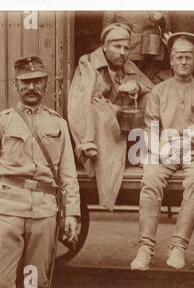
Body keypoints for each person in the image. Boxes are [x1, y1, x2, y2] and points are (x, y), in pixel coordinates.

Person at [0, 55, 80, 288]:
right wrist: (3, 194)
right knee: (0, 283)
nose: (31, 87)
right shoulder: (1, 123)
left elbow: (68, 176)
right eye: (25, 82)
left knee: (35, 284)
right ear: (15, 85)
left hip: (43, 214)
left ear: (46, 84)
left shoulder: (58, 124)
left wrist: (72, 213)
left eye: (37, 81)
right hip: (6, 213)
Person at [130, 32, 194, 271]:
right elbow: (150, 126)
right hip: (166, 147)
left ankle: (178, 247)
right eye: (179, 57)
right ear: (171, 61)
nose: (184, 62)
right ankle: (145, 248)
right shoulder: (158, 92)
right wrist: (160, 149)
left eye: (189, 57)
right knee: (151, 177)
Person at [68, 23, 154, 211]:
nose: (122, 52)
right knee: (96, 106)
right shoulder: (89, 63)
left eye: (126, 48)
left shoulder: (126, 65)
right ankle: (95, 159)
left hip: (125, 128)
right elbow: (80, 101)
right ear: (104, 46)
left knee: (149, 100)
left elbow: (152, 88)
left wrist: (138, 88)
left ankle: (142, 154)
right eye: (117, 46)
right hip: (100, 134)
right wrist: (113, 109)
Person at [102, 11, 170, 83]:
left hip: (152, 47)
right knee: (128, 79)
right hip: (128, 46)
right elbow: (108, 26)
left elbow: (167, 26)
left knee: (150, 81)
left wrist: (160, 18)